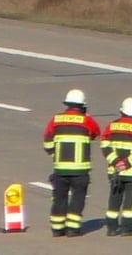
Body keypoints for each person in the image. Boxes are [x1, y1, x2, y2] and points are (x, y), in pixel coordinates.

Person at [42, 88, 101, 237]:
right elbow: (95, 133)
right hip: (80, 170)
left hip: (60, 169)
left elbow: (47, 141)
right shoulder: (86, 120)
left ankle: (57, 228)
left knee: (59, 197)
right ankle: (73, 229)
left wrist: (55, 154)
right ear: (82, 105)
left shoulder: (56, 119)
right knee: (78, 198)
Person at [101, 96, 132, 236]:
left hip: (115, 171)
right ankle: (127, 228)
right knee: (130, 200)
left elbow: (104, 146)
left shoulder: (111, 126)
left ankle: (111, 228)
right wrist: (127, 163)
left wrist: (116, 162)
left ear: (122, 112)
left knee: (114, 198)